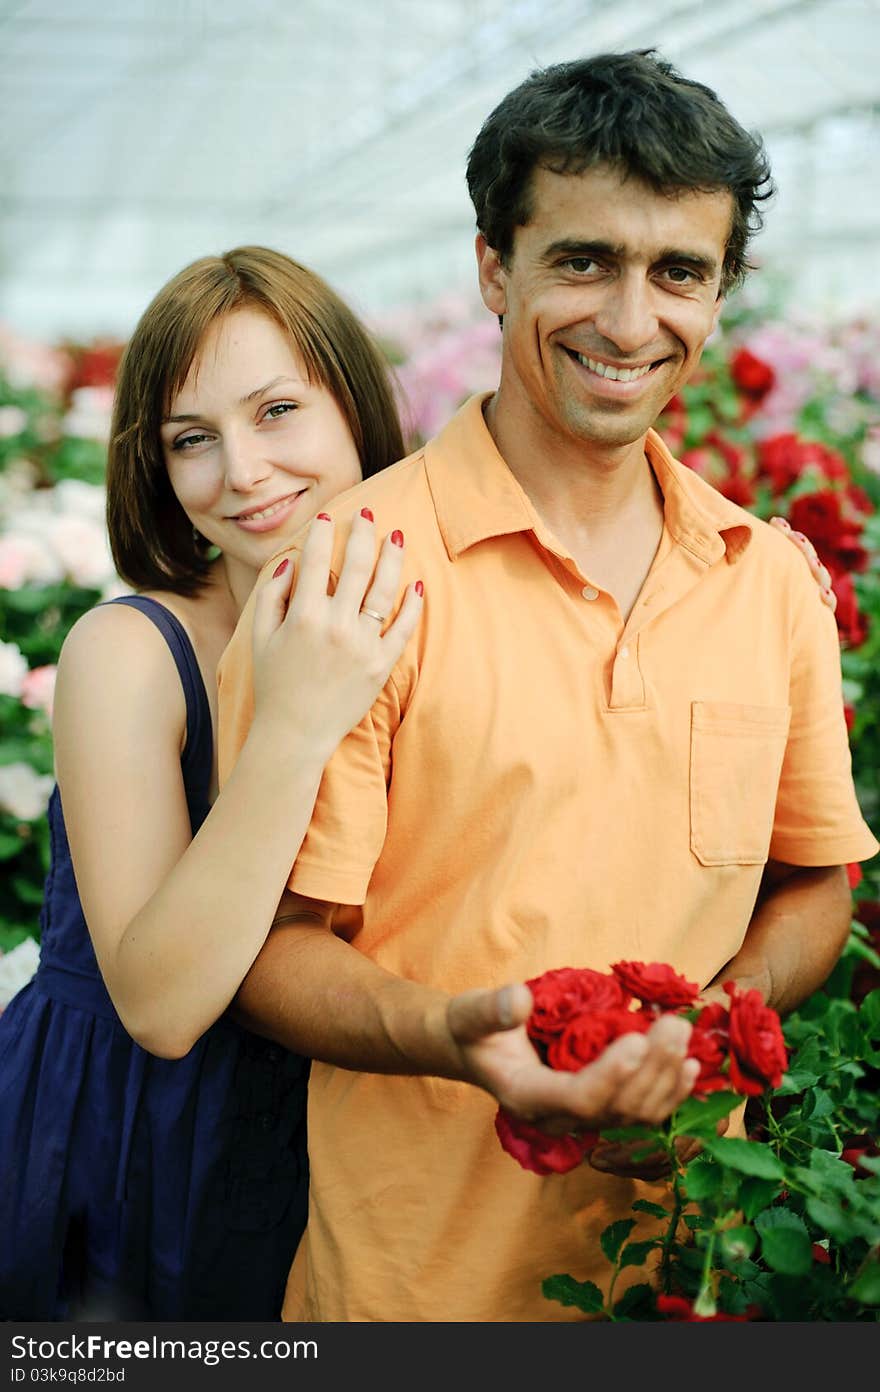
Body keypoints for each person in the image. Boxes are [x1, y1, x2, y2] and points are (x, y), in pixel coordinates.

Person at [216, 52, 879, 1323]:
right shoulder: (354, 571)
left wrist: (715, 1021)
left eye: (678, 272)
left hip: (694, 1266)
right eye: (582, 261)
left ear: (721, 291)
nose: (632, 322)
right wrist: (453, 1034)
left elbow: (816, 883)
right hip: (416, 1289)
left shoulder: (765, 577)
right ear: (492, 267)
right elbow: (275, 953)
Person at [0, 245, 423, 1320]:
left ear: (357, 410)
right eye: (194, 439)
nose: (240, 471)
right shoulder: (131, 652)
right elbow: (162, 1005)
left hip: (328, 1134)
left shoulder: (422, 612)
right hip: (127, 1140)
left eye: (277, 411)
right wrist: (294, 717)